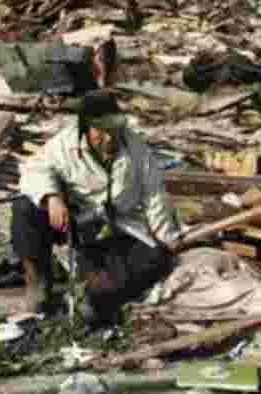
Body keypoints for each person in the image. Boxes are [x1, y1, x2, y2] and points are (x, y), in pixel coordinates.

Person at [12, 90, 181, 325]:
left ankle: (91, 293)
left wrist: (166, 237)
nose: (109, 139)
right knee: (24, 209)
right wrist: (51, 197)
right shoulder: (64, 144)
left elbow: (154, 194)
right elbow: (34, 169)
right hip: (75, 221)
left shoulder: (136, 148)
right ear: (85, 128)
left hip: (118, 224)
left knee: (156, 260)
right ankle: (38, 285)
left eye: (113, 131)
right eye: (101, 132)